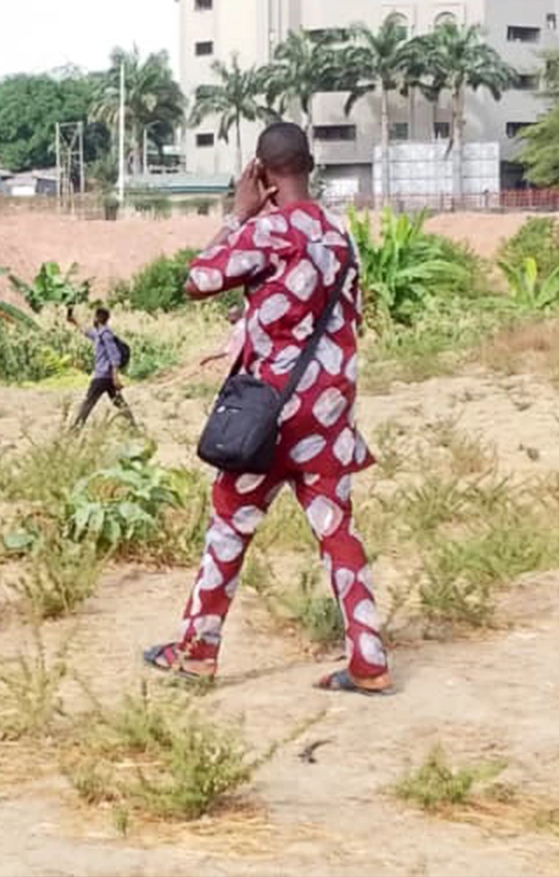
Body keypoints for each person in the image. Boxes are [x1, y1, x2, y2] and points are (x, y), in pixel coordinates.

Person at [142, 122, 390, 696]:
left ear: (261, 172)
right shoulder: (339, 233)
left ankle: (198, 648)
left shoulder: (268, 230)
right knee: (337, 530)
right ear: (310, 166)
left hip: (270, 411)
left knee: (230, 521)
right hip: (329, 409)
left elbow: (198, 280)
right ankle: (369, 655)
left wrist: (239, 214)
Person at [69, 306, 137, 428]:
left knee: (88, 403)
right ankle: (134, 428)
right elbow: (86, 331)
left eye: (94, 317)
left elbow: (114, 355)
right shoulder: (99, 334)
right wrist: (74, 321)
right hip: (108, 378)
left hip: (103, 377)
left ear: (97, 318)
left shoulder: (105, 335)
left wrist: (115, 377)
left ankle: (74, 431)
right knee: (120, 403)